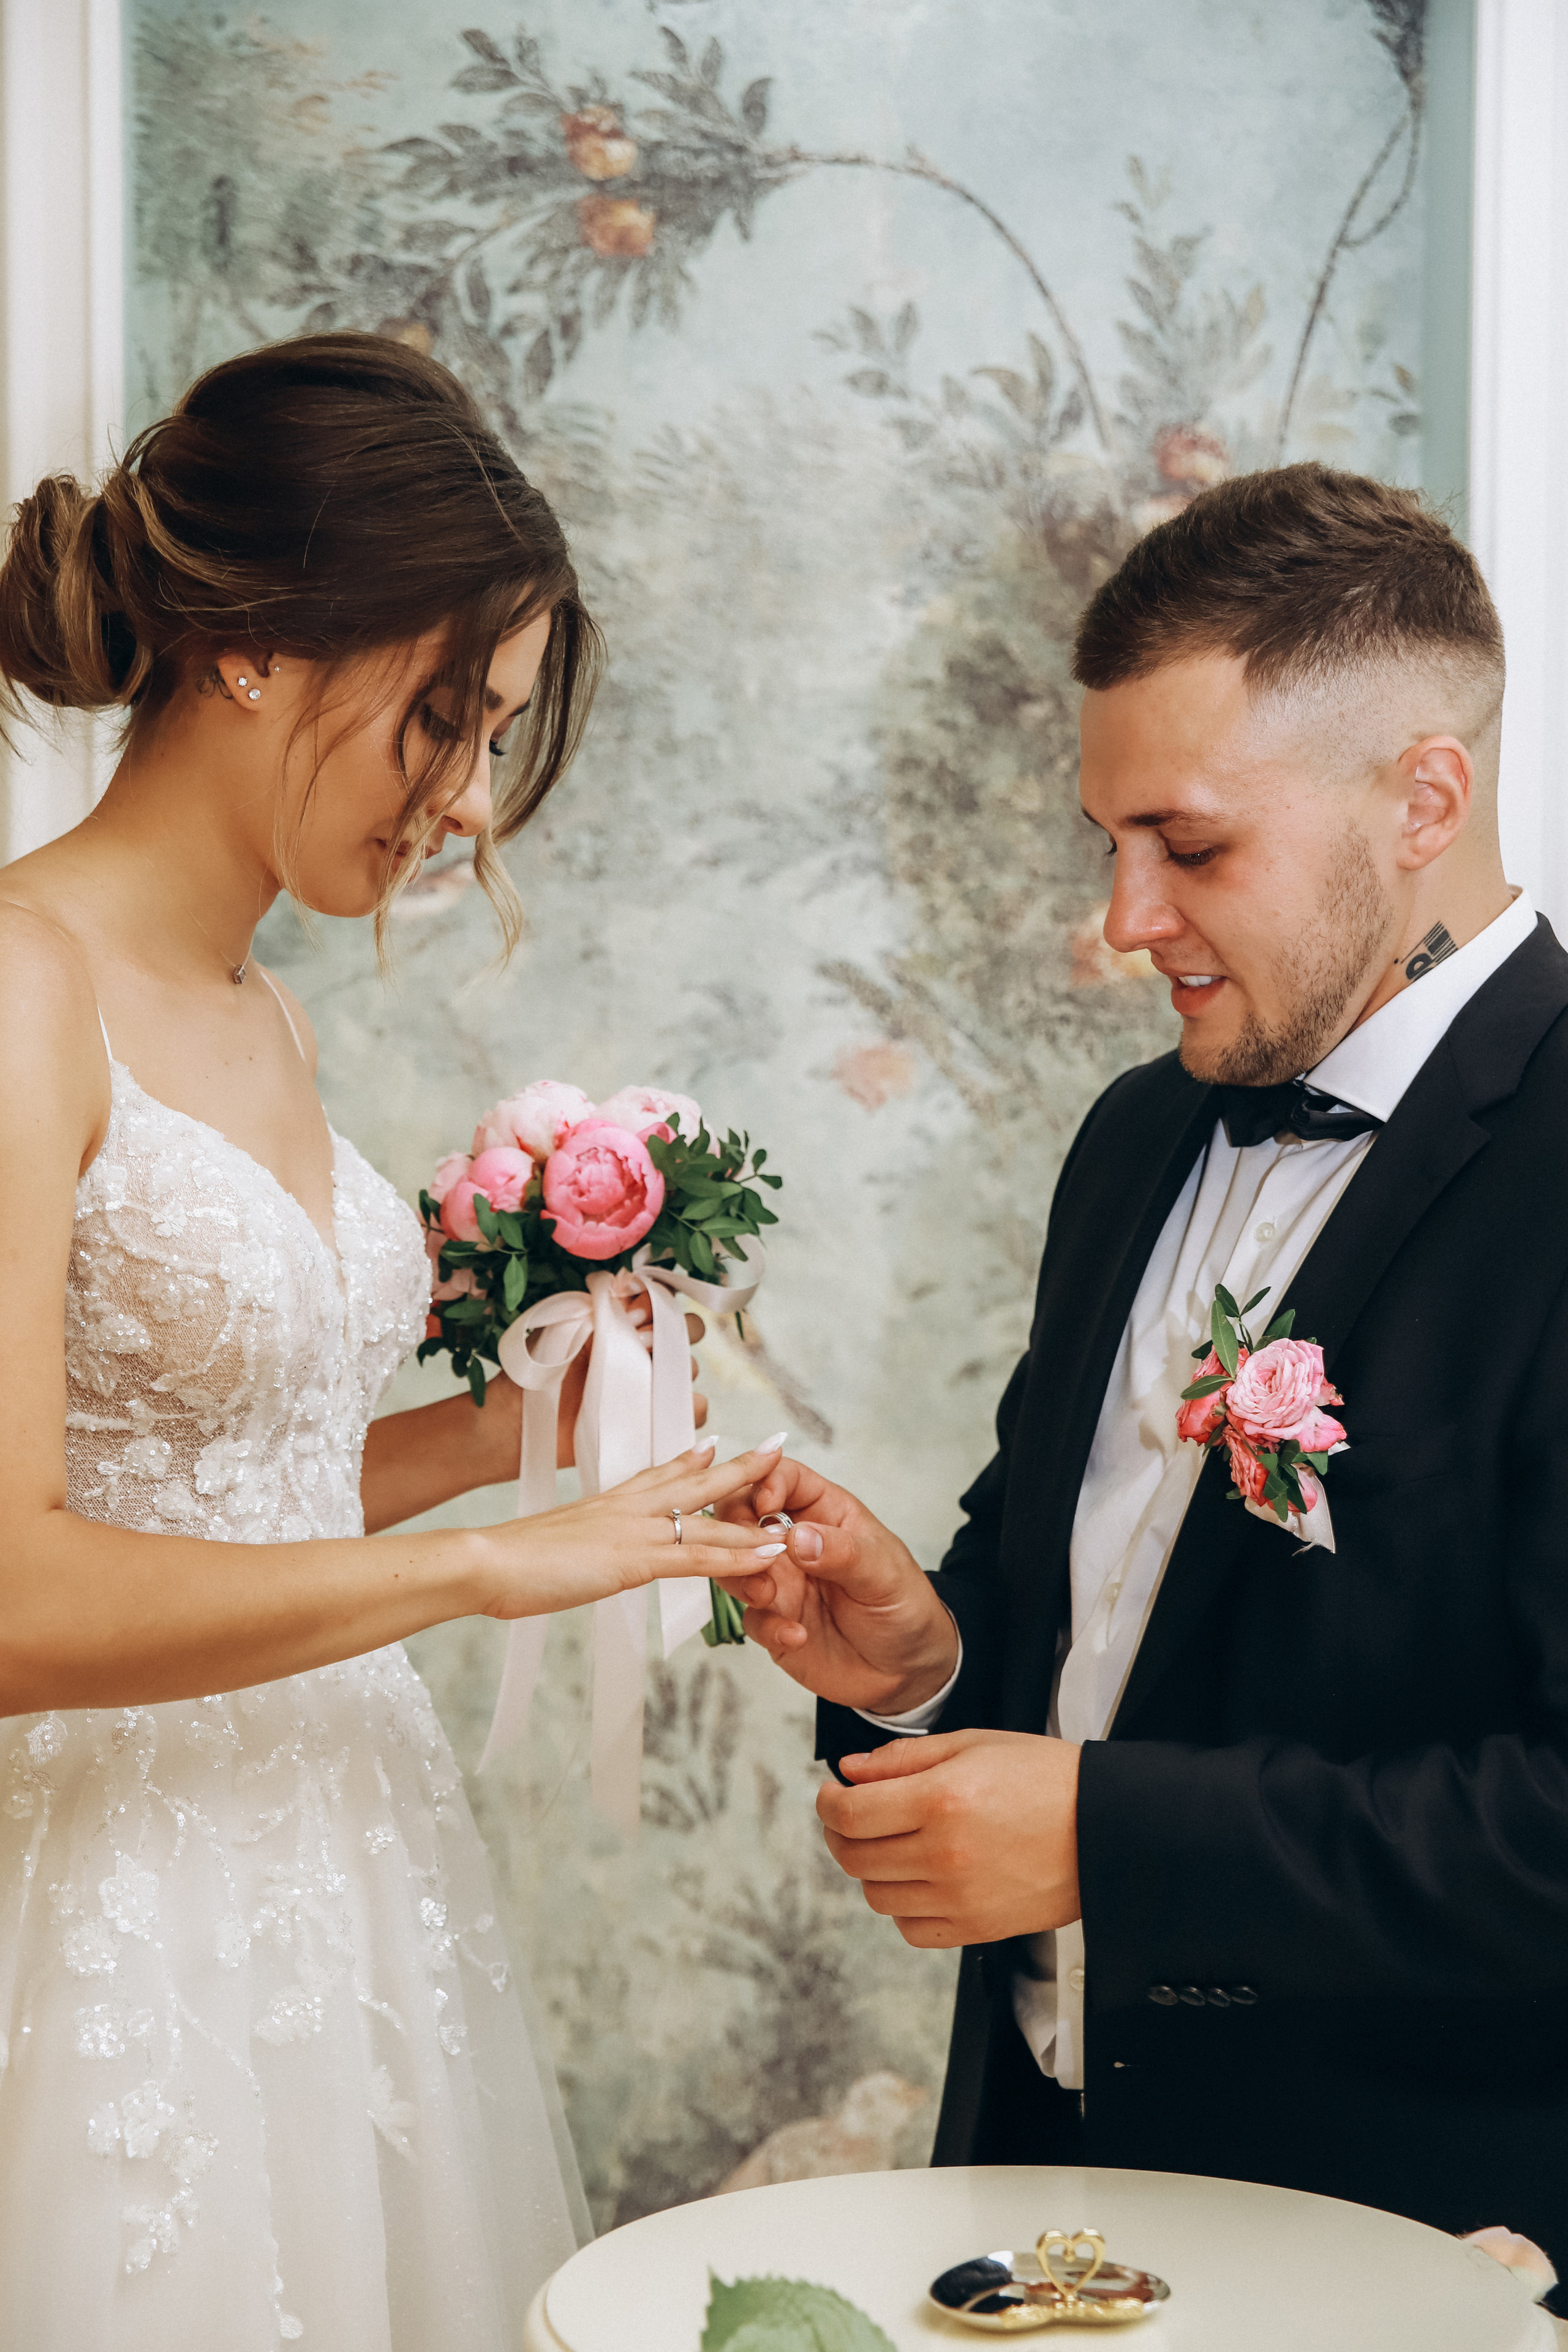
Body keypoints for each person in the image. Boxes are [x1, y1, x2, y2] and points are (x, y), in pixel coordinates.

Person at [0, 333, 785, 2349]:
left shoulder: (267, 1012)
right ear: (257, 642)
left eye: (493, 733)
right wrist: (488, 1569)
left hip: (343, 1872)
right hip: (118, 1910)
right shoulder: (17, 985)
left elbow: (234, 1496)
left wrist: (562, 1423)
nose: (463, 801)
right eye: (443, 716)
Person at [722, 463, 1568, 2289]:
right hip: (1038, 2193)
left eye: (1189, 848)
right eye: (1108, 841)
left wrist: (1107, 1839)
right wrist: (919, 1661)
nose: (1124, 918)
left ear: (1426, 796)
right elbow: (1073, 1584)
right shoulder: (1130, 1140)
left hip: (1409, 2242)